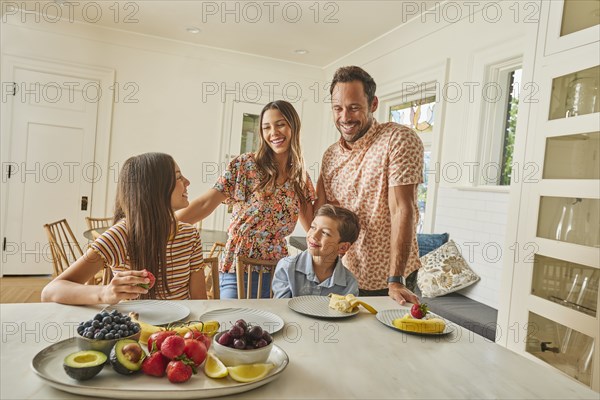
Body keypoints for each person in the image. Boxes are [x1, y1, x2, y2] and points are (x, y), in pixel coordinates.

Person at [177, 100, 315, 299]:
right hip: (238, 265)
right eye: (266, 127)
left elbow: (312, 226)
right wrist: (163, 224)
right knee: (234, 324)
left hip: (278, 269)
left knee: (272, 327)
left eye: (281, 124)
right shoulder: (245, 165)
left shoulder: (300, 177)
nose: (273, 132)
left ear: (294, 126)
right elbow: (206, 204)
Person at [316, 66, 424, 306]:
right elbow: (326, 215)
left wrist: (395, 280)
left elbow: (401, 210)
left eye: (354, 107)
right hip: (347, 273)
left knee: (391, 343)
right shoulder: (330, 156)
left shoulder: (398, 139)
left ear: (373, 104)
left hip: (392, 278)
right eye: (338, 108)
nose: (345, 117)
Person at [41, 152, 207, 304]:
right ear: (155, 188)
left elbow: (200, 302)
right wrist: (104, 293)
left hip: (179, 333)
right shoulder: (121, 236)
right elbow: (50, 292)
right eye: (178, 177)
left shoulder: (190, 235)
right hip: (134, 331)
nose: (187, 182)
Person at [272, 205, 359, 298]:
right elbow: (281, 309)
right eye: (313, 227)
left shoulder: (350, 283)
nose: (314, 235)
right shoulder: (286, 267)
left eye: (325, 233)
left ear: (343, 247)